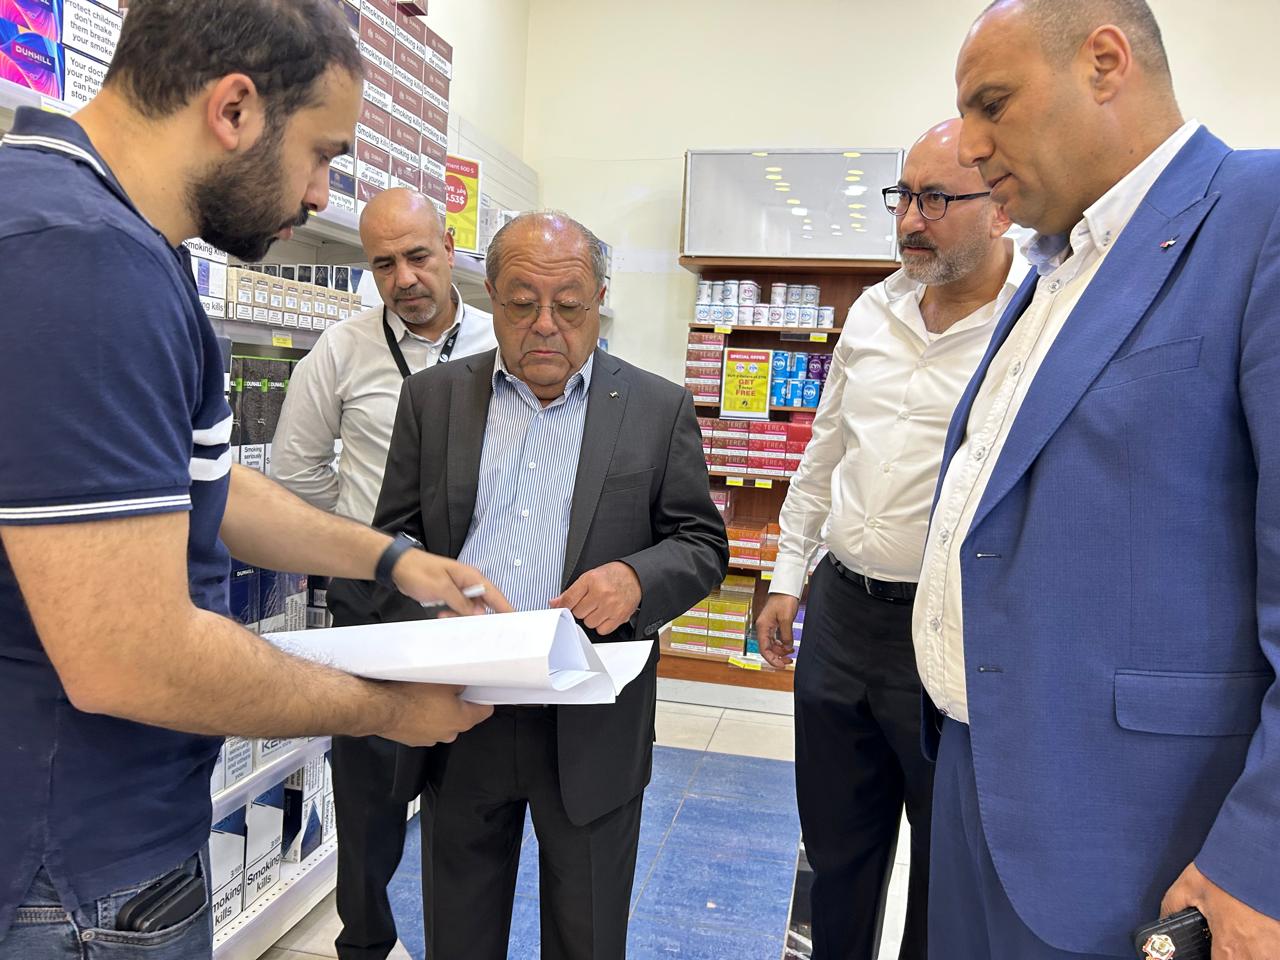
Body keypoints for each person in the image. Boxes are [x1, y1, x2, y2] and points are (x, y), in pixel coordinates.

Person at [0, 3, 510, 958]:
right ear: (233, 110)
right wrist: (391, 710)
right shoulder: (86, 259)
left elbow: (210, 484)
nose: (319, 193)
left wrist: (393, 559)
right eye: (321, 154)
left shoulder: (93, 229)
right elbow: (132, 656)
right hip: (74, 872)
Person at [915, 1, 1280, 957]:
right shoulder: (1052, 269)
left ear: (1105, 62)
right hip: (977, 780)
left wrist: (1262, 859)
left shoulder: (1259, 216)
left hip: (1140, 840)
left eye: (993, 103)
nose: (970, 142)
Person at [373, 211, 729, 959]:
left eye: (568, 306)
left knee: (587, 935)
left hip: (592, 716)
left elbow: (701, 544)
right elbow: (393, 541)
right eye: (520, 303)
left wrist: (635, 578)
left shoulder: (656, 408)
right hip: (463, 712)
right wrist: (428, 607)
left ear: (599, 299)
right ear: (489, 296)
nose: (544, 325)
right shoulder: (434, 399)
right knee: (459, 933)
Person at [756, 120, 1024, 960]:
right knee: (835, 847)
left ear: (1000, 208)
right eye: (903, 196)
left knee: (945, 864)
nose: (910, 219)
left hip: (950, 626)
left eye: (936, 199)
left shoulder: (1032, 321)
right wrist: (788, 574)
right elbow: (823, 451)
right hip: (840, 615)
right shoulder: (874, 308)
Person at [271, 187, 496, 960]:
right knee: (369, 800)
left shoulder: (500, 343)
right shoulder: (342, 349)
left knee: (470, 793)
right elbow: (296, 472)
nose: (404, 278)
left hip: (474, 599)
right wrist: (365, 542)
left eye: (418, 256)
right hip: (375, 600)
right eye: (383, 264)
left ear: (452, 249)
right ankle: (364, 944)